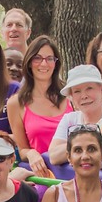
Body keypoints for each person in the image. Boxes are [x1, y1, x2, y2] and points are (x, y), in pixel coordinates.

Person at [8, 35, 69, 177]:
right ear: (29, 62)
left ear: (56, 63)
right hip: (43, 176)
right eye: (37, 58)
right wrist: (31, 153)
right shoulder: (16, 103)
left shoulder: (70, 95)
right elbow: (22, 149)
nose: (44, 64)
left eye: (49, 58)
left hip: (74, 174)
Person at [47, 64, 102, 177]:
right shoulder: (70, 119)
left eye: (89, 88)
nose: (84, 96)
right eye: (77, 91)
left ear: (101, 90)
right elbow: (54, 156)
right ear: (71, 96)